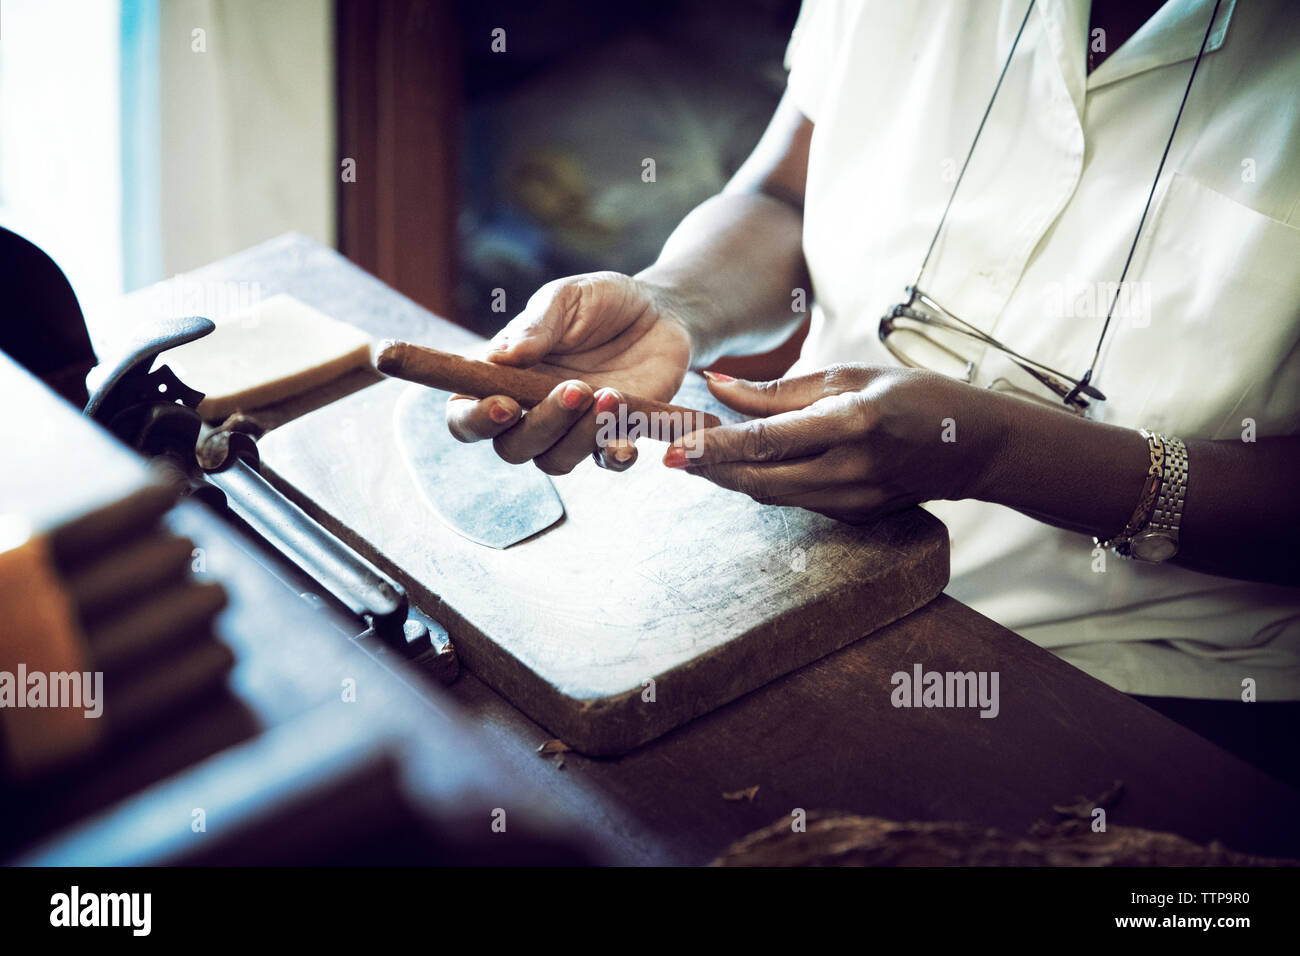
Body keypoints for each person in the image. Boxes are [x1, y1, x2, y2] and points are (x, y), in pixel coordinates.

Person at [445, 0, 1300, 766]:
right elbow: (786, 195)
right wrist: (672, 304)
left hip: (1159, 692)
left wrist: (994, 455)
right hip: (808, 593)